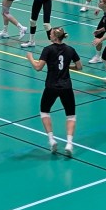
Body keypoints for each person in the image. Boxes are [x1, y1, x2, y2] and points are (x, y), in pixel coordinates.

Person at [27, 26, 82, 155]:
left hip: (51, 86)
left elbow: (38, 67)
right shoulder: (70, 49)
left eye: (51, 34)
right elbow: (79, 67)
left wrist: (30, 58)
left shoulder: (48, 49)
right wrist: (67, 67)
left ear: (55, 37)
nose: (49, 35)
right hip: (66, 87)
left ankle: (52, 140)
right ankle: (69, 144)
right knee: (71, 115)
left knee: (44, 112)